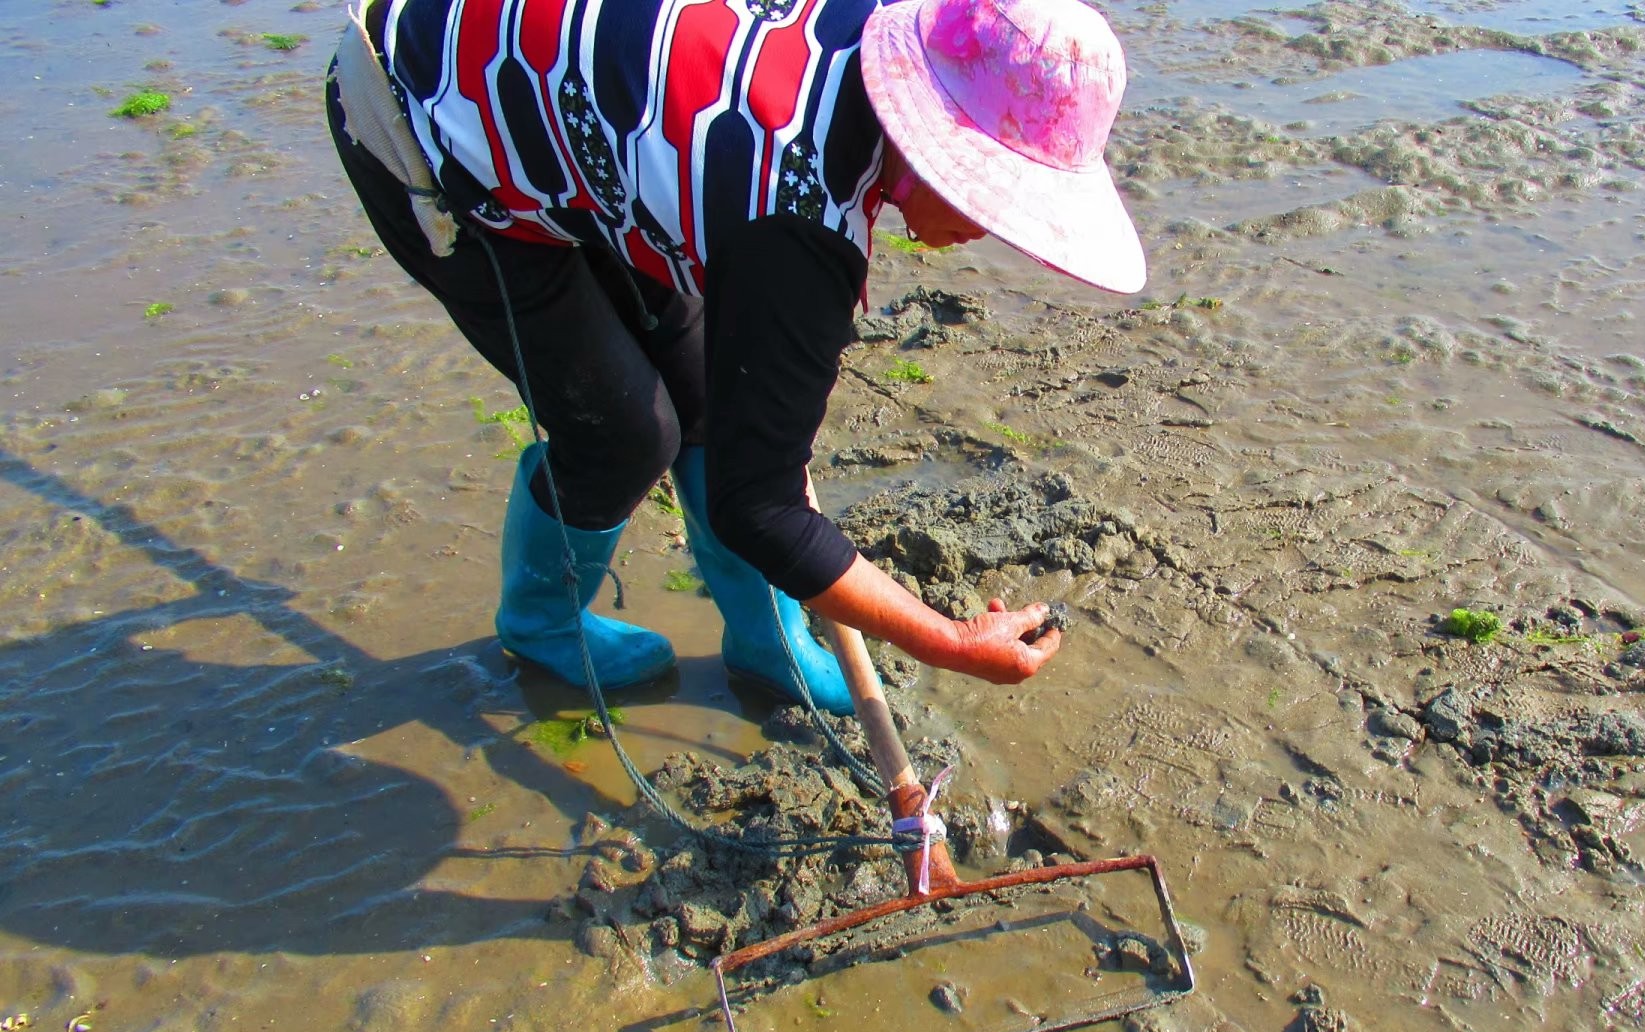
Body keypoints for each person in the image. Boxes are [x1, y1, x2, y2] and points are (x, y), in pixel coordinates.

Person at [325, 0, 1145, 715]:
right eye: (994, 196)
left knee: (714, 398)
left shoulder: (913, 33)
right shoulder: (794, 213)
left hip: (606, 124)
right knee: (623, 434)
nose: (990, 228)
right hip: (424, 120)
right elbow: (765, 509)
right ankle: (541, 624)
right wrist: (951, 642)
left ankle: (766, 639)